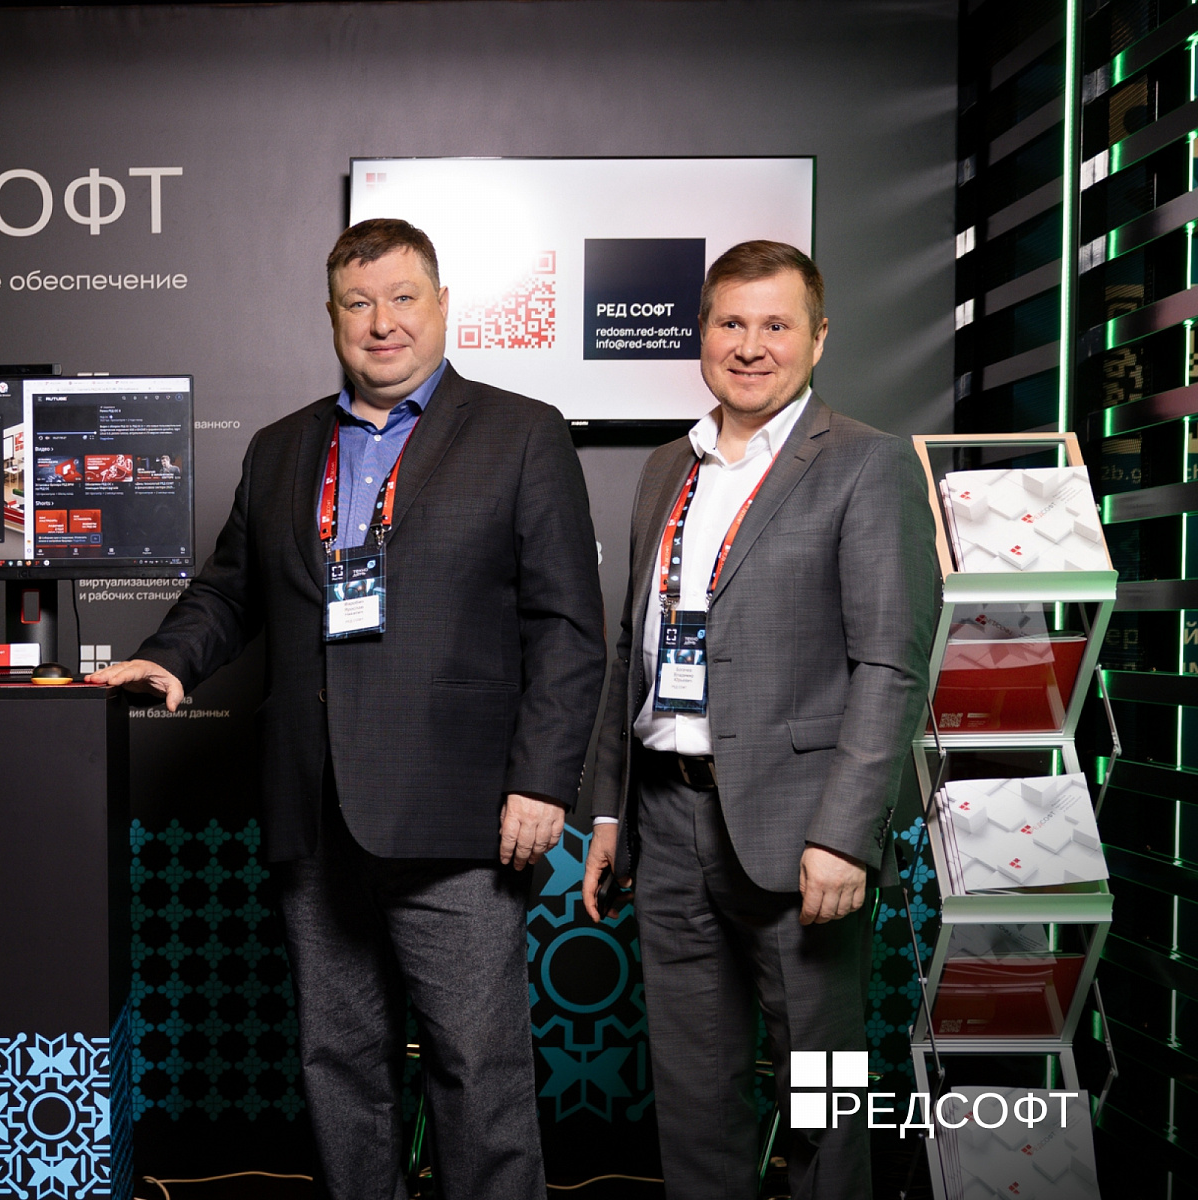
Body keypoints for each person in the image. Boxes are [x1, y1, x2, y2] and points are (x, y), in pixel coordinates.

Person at [91, 218, 604, 1199]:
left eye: (403, 298)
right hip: (314, 808)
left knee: (477, 1071)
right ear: (332, 316)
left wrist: (542, 781)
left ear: (442, 306)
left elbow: (568, 628)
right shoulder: (282, 448)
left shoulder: (521, 433)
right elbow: (230, 591)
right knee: (337, 1066)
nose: (382, 323)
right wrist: (164, 658)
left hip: (460, 816)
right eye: (359, 303)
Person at [581, 241, 938, 1200]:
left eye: (776, 325)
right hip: (666, 819)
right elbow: (632, 651)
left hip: (800, 830)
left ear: (818, 339)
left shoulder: (867, 463)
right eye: (730, 323)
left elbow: (890, 664)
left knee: (823, 1093)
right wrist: (609, 812)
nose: (750, 346)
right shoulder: (668, 467)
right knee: (694, 1093)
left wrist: (845, 835)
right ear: (701, 335)